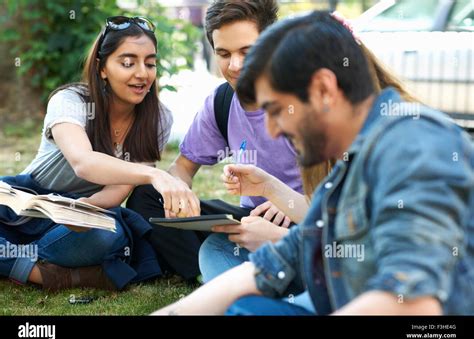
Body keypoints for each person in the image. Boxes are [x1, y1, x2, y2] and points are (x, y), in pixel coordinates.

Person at [152, 10, 474, 315]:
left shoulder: (413, 145)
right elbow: (269, 265)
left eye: (277, 110)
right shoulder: (346, 172)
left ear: (323, 89)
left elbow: (414, 304)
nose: (272, 128)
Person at [0, 16, 198, 291]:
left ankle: (13, 259)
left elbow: (117, 191)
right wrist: (153, 174)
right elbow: (83, 162)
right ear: (102, 68)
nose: (142, 73)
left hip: (84, 211)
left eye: (150, 63)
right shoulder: (70, 101)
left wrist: (85, 209)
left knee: (108, 235)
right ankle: (46, 273)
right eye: (128, 63)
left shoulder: (158, 118)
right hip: (29, 205)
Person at [126, 0, 307, 283]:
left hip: (307, 219)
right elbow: (183, 168)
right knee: (147, 197)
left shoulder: (309, 97)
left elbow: (346, 189)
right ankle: (203, 274)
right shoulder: (222, 101)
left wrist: (288, 201)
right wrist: (176, 193)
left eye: (247, 51)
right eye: (223, 53)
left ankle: (234, 273)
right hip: (249, 218)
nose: (235, 65)